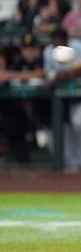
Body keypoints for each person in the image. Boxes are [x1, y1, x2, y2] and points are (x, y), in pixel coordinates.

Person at [43, 28, 81, 172]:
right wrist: (53, 77)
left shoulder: (77, 46)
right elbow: (48, 76)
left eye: (61, 41)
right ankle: (74, 167)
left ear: (67, 40)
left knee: (79, 120)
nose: (57, 44)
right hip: (70, 101)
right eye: (55, 42)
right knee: (66, 126)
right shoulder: (48, 51)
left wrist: (60, 75)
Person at [0, 32, 46, 163]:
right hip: (15, 117)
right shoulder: (18, 62)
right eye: (26, 49)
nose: (29, 52)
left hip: (43, 110)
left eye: (32, 48)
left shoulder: (43, 59)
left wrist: (9, 75)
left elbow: (41, 74)